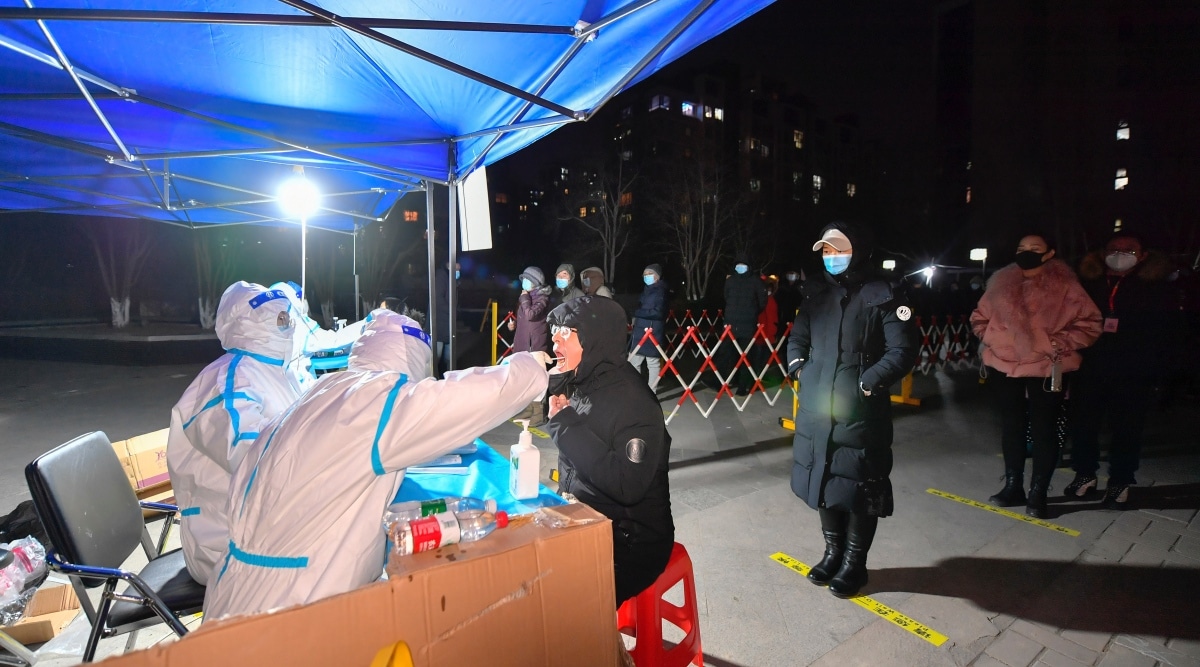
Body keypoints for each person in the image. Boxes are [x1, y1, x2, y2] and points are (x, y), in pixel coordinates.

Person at [203, 310, 550, 620]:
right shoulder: (373, 401)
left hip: (241, 592)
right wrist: (528, 366)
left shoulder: (329, 391)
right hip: (289, 606)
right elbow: (469, 398)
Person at [787, 222, 919, 598]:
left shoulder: (885, 294)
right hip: (816, 405)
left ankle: (854, 563)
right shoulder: (815, 293)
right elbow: (798, 336)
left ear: (858, 249)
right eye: (826, 251)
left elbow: (903, 350)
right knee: (823, 478)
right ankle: (832, 552)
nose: (832, 257)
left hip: (861, 410)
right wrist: (799, 368)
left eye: (839, 249)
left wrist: (868, 381)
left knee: (859, 484)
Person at [166, 282, 302, 585]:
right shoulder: (228, 382)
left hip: (260, 522)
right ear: (245, 321)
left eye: (286, 317)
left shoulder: (274, 372)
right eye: (276, 318)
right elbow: (251, 455)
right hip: (225, 543)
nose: (287, 325)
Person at [545, 296, 674, 604]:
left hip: (630, 544)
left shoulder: (634, 403)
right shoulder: (583, 381)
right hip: (589, 521)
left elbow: (625, 484)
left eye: (566, 330)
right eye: (555, 329)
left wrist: (565, 426)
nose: (554, 339)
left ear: (594, 337)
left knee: (558, 606)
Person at [971, 233, 1102, 518]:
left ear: (1049, 253)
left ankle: (1038, 493)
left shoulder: (1066, 286)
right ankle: (1013, 486)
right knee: (1012, 427)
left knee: (1044, 430)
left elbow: (1091, 323)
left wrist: (1057, 343)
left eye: (1034, 248)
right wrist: (992, 338)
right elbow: (979, 317)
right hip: (1004, 365)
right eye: (1021, 248)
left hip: (1047, 365)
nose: (1026, 252)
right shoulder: (1001, 283)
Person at [1065, 233, 1173, 509]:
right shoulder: (1087, 283)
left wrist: (1161, 371)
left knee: (1126, 429)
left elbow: (1167, 333)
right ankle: (1085, 474)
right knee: (1084, 425)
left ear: (1144, 255)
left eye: (1129, 250)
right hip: (1090, 367)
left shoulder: (1156, 286)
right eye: (1114, 249)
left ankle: (1120, 481)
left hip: (1134, 371)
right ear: (1103, 253)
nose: (1120, 254)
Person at [272, 281, 365, 391]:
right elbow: (333, 340)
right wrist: (367, 323)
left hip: (273, 386)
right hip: (297, 387)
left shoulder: (263, 325)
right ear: (296, 299)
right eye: (303, 297)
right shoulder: (299, 325)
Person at [510, 266, 552, 423]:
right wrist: (514, 324)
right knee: (526, 378)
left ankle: (538, 413)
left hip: (535, 346)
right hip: (523, 345)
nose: (524, 282)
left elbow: (530, 314)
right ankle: (527, 409)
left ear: (535, 282)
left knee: (538, 379)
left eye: (527, 280)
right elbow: (523, 318)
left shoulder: (542, 298)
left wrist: (524, 299)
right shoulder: (527, 297)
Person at [722, 254, 767, 395]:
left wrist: (752, 312)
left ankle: (743, 385)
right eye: (738, 264)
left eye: (743, 264)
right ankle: (725, 381)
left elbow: (762, 301)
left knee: (745, 356)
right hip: (730, 322)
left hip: (747, 323)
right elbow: (725, 297)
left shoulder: (756, 281)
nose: (740, 267)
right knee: (727, 354)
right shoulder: (730, 281)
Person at [628, 264, 668, 392]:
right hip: (640, 331)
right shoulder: (646, 290)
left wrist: (637, 312)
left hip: (653, 331)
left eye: (649, 274)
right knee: (634, 362)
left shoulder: (661, 291)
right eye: (645, 274)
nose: (646, 277)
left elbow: (658, 312)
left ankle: (652, 391)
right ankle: (637, 389)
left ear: (657, 276)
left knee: (653, 363)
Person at [776, 269, 804, 337]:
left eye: (793, 274)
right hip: (783, 317)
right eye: (790, 274)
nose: (791, 276)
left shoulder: (800, 288)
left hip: (796, 317)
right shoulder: (782, 288)